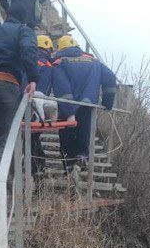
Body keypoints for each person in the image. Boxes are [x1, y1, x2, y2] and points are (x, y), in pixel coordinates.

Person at [0, 17, 39, 193]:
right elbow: (28, 51)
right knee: (4, 139)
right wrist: (33, 78)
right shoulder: (23, 30)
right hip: (5, 86)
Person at [55, 35, 117, 170]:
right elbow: (111, 78)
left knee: (66, 140)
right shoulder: (94, 62)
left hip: (67, 109)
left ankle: (69, 169)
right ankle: (82, 157)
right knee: (84, 135)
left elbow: (62, 88)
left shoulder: (60, 63)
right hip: (88, 107)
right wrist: (107, 103)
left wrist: (69, 110)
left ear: (60, 48)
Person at [31, 34, 69, 178]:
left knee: (29, 139)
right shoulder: (50, 67)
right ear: (49, 50)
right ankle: (38, 170)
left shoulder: (27, 60)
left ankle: (37, 169)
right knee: (32, 138)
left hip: (20, 101)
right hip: (39, 106)